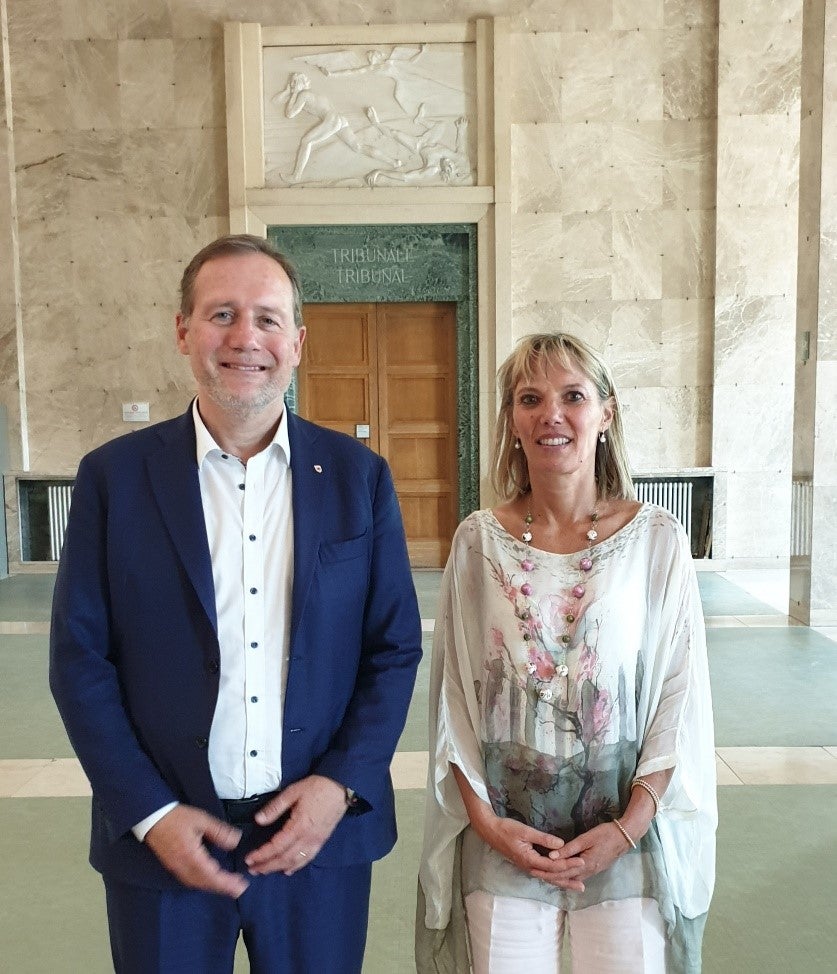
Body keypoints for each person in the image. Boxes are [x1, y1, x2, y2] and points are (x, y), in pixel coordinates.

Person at [49, 233, 422, 973]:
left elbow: (393, 648)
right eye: (222, 314)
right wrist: (149, 812)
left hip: (317, 839)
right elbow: (79, 659)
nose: (245, 337)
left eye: (267, 318)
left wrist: (339, 784)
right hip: (165, 842)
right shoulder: (114, 479)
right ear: (183, 331)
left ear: (297, 343)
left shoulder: (359, 478)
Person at [417, 333, 716, 973]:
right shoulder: (478, 543)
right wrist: (488, 826)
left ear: (606, 414)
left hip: (624, 840)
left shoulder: (655, 540)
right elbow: (454, 700)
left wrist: (629, 827)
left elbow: (679, 697)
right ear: (512, 421)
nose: (551, 414)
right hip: (505, 839)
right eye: (531, 399)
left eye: (572, 396)